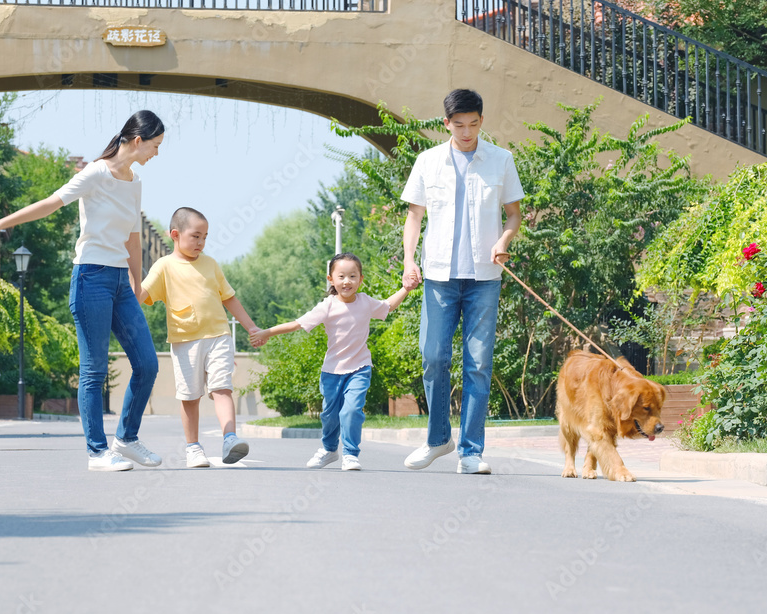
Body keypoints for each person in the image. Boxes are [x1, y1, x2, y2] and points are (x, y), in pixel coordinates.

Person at [0, 110, 165, 472]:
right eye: (155, 145)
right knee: (94, 371)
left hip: (121, 282)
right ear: (138, 141)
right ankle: (97, 452)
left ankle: (126, 438)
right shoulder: (94, 173)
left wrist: (137, 283)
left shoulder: (135, 181)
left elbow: (134, 237)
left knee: (148, 364)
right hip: (90, 277)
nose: (156, 153)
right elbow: (48, 204)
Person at [401, 89, 523, 474]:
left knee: (478, 364)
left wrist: (503, 241)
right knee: (434, 357)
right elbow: (414, 217)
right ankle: (439, 439)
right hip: (438, 276)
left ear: (482, 121)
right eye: (459, 125)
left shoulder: (501, 161)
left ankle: (471, 452)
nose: (467, 132)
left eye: (473, 124)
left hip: (484, 278)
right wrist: (408, 260)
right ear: (446, 124)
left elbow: (515, 215)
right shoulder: (428, 162)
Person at [250, 253, 415, 471]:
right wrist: (266, 333)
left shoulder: (365, 302)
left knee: (351, 411)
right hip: (332, 371)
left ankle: (350, 454)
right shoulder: (327, 306)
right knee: (329, 415)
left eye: (352, 276)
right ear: (331, 280)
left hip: (360, 368)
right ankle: (329, 450)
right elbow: (297, 324)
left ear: (361, 279)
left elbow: (388, 306)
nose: (347, 281)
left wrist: (406, 289)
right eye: (341, 276)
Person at [139, 207, 259, 467]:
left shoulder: (210, 264)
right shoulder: (164, 266)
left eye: (205, 237)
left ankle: (230, 438)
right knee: (190, 397)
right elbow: (142, 296)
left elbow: (229, 298)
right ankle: (193, 448)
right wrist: (129, 270)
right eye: (195, 236)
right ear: (175, 234)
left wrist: (251, 327)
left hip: (218, 335)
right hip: (185, 341)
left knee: (222, 388)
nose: (201, 242)